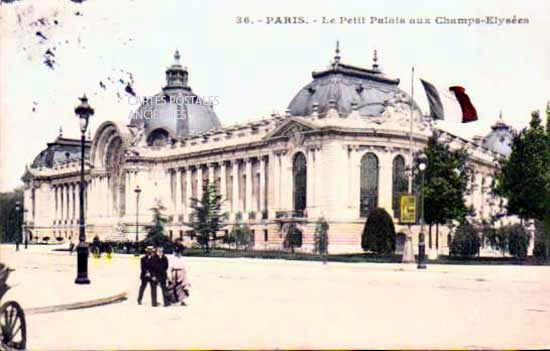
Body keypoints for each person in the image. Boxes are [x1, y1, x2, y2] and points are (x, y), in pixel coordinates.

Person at [167, 239, 190, 306]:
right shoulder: (172, 258)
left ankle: (182, 300)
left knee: (182, 287)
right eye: (177, 252)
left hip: (181, 273)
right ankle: (172, 300)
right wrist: (169, 276)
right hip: (174, 272)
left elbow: (185, 268)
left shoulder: (182, 259)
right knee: (172, 287)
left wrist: (185, 277)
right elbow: (169, 267)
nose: (178, 253)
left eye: (179, 252)